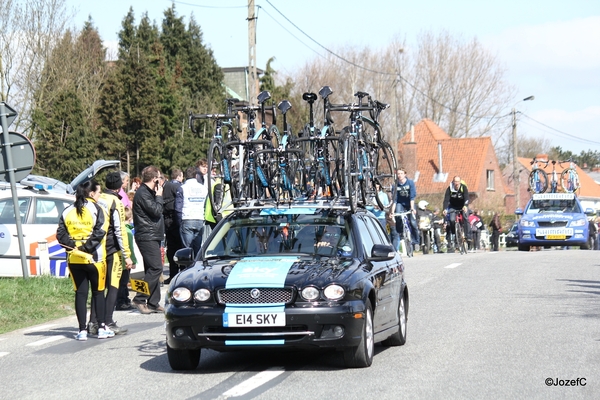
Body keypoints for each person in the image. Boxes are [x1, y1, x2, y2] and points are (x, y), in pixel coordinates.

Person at [56, 180, 114, 340]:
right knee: (98, 292)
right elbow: (100, 231)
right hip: (95, 258)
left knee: (80, 294)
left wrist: (74, 247)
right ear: (91, 193)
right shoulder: (98, 209)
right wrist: (86, 248)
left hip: (74, 259)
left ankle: (82, 331)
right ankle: (101, 328)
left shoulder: (67, 210)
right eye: (99, 192)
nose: (100, 195)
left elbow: (60, 235)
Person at [88, 172, 134, 335]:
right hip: (112, 249)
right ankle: (107, 321)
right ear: (119, 186)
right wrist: (126, 254)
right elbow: (120, 229)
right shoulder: (115, 201)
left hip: (96, 248)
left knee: (98, 287)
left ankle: (92, 322)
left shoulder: (97, 198)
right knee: (113, 286)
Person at [132, 166, 165, 314]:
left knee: (151, 268)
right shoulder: (143, 193)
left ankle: (153, 302)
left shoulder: (148, 192)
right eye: (159, 177)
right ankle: (139, 299)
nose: (161, 180)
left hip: (152, 234)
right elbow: (156, 211)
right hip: (147, 235)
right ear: (154, 179)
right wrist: (159, 196)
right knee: (156, 267)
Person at [175, 165, 208, 256]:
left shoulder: (182, 188)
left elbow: (178, 208)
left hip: (187, 219)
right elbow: (206, 204)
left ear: (185, 176)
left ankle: (189, 268)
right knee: (197, 248)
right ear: (196, 176)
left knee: (187, 250)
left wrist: (179, 222)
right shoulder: (203, 188)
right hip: (200, 219)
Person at [163, 168, 184, 284]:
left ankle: (173, 274)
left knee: (171, 249)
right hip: (176, 220)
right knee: (181, 248)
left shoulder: (166, 187)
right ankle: (181, 274)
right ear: (179, 176)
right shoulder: (178, 187)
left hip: (167, 221)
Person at [116, 206, 137, 310]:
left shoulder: (118, 229)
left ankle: (123, 300)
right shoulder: (128, 232)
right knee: (123, 283)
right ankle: (122, 302)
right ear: (130, 219)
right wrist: (134, 260)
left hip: (118, 260)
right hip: (126, 261)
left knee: (120, 282)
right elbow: (130, 248)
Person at [394, 168, 419, 251]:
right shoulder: (395, 185)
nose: (399, 175)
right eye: (398, 174)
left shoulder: (410, 183)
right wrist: (391, 212)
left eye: (401, 173)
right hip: (400, 203)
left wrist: (412, 208)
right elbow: (394, 200)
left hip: (409, 203)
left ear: (405, 174)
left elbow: (412, 197)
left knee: (412, 222)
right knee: (397, 215)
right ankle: (401, 233)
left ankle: (416, 242)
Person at [443, 176, 469, 252]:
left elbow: (467, 197)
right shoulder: (449, 189)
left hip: (462, 206)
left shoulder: (463, 187)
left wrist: (465, 206)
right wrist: (444, 209)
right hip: (453, 206)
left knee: (466, 217)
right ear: (453, 182)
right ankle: (455, 234)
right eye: (455, 182)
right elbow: (446, 199)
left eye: (458, 182)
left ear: (460, 182)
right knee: (451, 220)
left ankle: (467, 235)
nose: (457, 183)